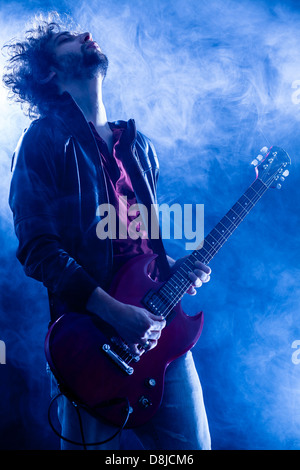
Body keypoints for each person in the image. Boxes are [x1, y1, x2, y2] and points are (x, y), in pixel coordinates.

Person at [3, 14, 211, 450]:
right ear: (50, 74)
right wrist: (114, 312)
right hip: (92, 345)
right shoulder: (41, 141)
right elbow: (40, 250)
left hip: (161, 332)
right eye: (68, 38)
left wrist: (169, 265)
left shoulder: (139, 148)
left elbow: (132, 243)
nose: (87, 35)